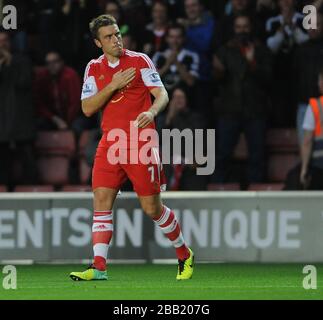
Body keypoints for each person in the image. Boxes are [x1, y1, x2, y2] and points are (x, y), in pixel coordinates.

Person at [70, 14, 194, 281]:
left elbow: (162, 94)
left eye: (117, 34)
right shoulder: (93, 68)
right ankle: (99, 267)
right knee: (101, 203)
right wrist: (113, 84)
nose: (116, 40)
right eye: (109, 37)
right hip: (110, 142)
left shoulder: (139, 60)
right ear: (97, 43)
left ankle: (184, 253)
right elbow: (87, 108)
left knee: (152, 209)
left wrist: (151, 111)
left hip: (140, 143)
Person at [213, 14, 272, 184]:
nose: (242, 30)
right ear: (234, 29)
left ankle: (257, 191)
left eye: (245, 26)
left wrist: (253, 63)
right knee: (223, 154)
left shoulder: (262, 50)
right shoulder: (224, 50)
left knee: (257, 154)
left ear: (251, 28)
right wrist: (218, 72)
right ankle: (220, 190)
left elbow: (269, 79)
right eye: (239, 27)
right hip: (229, 110)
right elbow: (216, 80)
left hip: (255, 111)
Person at [0, 29, 38, 189]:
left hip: (21, 121)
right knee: (3, 163)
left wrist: (11, 63)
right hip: (2, 123)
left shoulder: (22, 60)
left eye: (4, 41)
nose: (2, 44)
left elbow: (25, 83)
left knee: (28, 161)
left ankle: (33, 191)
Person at [285, 69, 323, 190]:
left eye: (320, 80)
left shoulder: (315, 106)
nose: (318, 84)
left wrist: (304, 169)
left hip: (319, 168)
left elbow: (307, 141)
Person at [293, 13, 323, 145]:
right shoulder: (300, 49)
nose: (313, 28)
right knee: (304, 145)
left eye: (317, 24)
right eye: (310, 24)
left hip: (322, 103)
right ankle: (305, 167)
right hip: (304, 104)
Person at [34, 51, 82, 131]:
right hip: (53, 118)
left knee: (77, 127)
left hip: (74, 117)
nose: (51, 65)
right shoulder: (42, 77)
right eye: (48, 63)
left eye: (55, 62)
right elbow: (39, 103)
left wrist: (66, 122)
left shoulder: (70, 75)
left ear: (61, 62)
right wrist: (55, 119)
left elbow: (75, 102)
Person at [152, 23, 199, 92]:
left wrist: (176, 63)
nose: (175, 41)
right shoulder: (158, 56)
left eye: (178, 37)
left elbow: (191, 82)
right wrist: (167, 65)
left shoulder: (192, 56)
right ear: (167, 39)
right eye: (172, 37)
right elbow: (151, 83)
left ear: (183, 38)